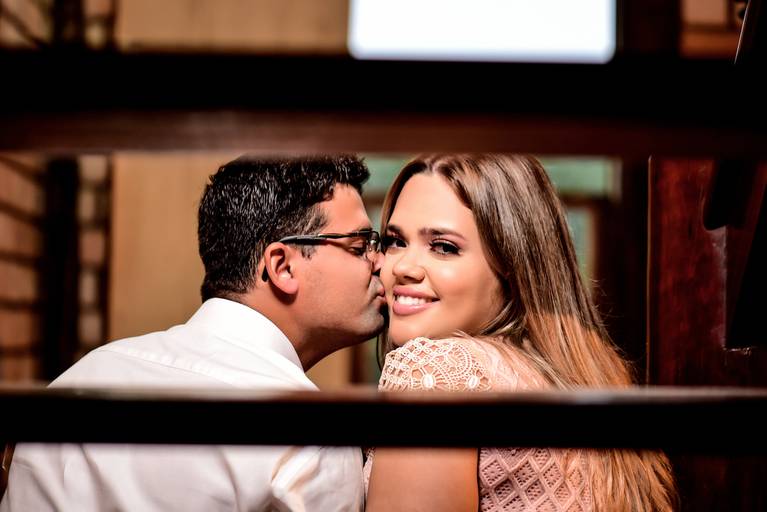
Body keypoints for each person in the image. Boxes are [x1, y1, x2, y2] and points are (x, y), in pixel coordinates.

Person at [1, 155, 386, 511]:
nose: (381, 261)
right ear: (282, 267)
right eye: (360, 245)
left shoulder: (76, 384)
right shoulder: (311, 440)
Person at [364, 154, 677, 512]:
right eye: (395, 241)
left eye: (444, 247)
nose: (402, 267)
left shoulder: (436, 372)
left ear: (512, 266)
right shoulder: (583, 379)